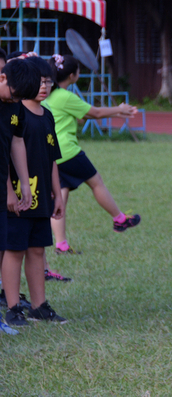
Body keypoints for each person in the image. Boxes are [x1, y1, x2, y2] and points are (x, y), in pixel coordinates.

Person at [44, 54, 140, 255]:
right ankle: (119, 219)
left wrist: (120, 113)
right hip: (68, 152)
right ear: (72, 75)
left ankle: (61, 245)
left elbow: (86, 114)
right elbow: (95, 113)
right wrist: (120, 108)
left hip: (52, 154)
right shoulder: (65, 96)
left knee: (61, 197)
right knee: (96, 182)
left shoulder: (48, 96)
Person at [2, 56, 67, 327]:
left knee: (37, 249)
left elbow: (51, 157)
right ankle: (13, 306)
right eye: (39, 82)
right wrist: (14, 190)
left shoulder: (46, 115)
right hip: (16, 196)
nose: (43, 86)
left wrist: (56, 192)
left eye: (47, 81)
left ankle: (39, 306)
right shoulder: (15, 109)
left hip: (37, 194)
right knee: (14, 249)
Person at [0, 58, 40, 334]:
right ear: (2, 78)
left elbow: (16, 141)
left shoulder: (14, 105)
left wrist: (24, 185)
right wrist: (8, 192)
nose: (15, 101)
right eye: (14, 94)